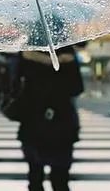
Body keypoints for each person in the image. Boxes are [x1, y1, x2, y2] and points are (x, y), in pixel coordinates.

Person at [17, 45, 83, 191]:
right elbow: (77, 87)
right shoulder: (67, 53)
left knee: (35, 177)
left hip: (33, 120)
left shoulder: (26, 52)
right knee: (60, 180)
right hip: (62, 121)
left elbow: (14, 85)